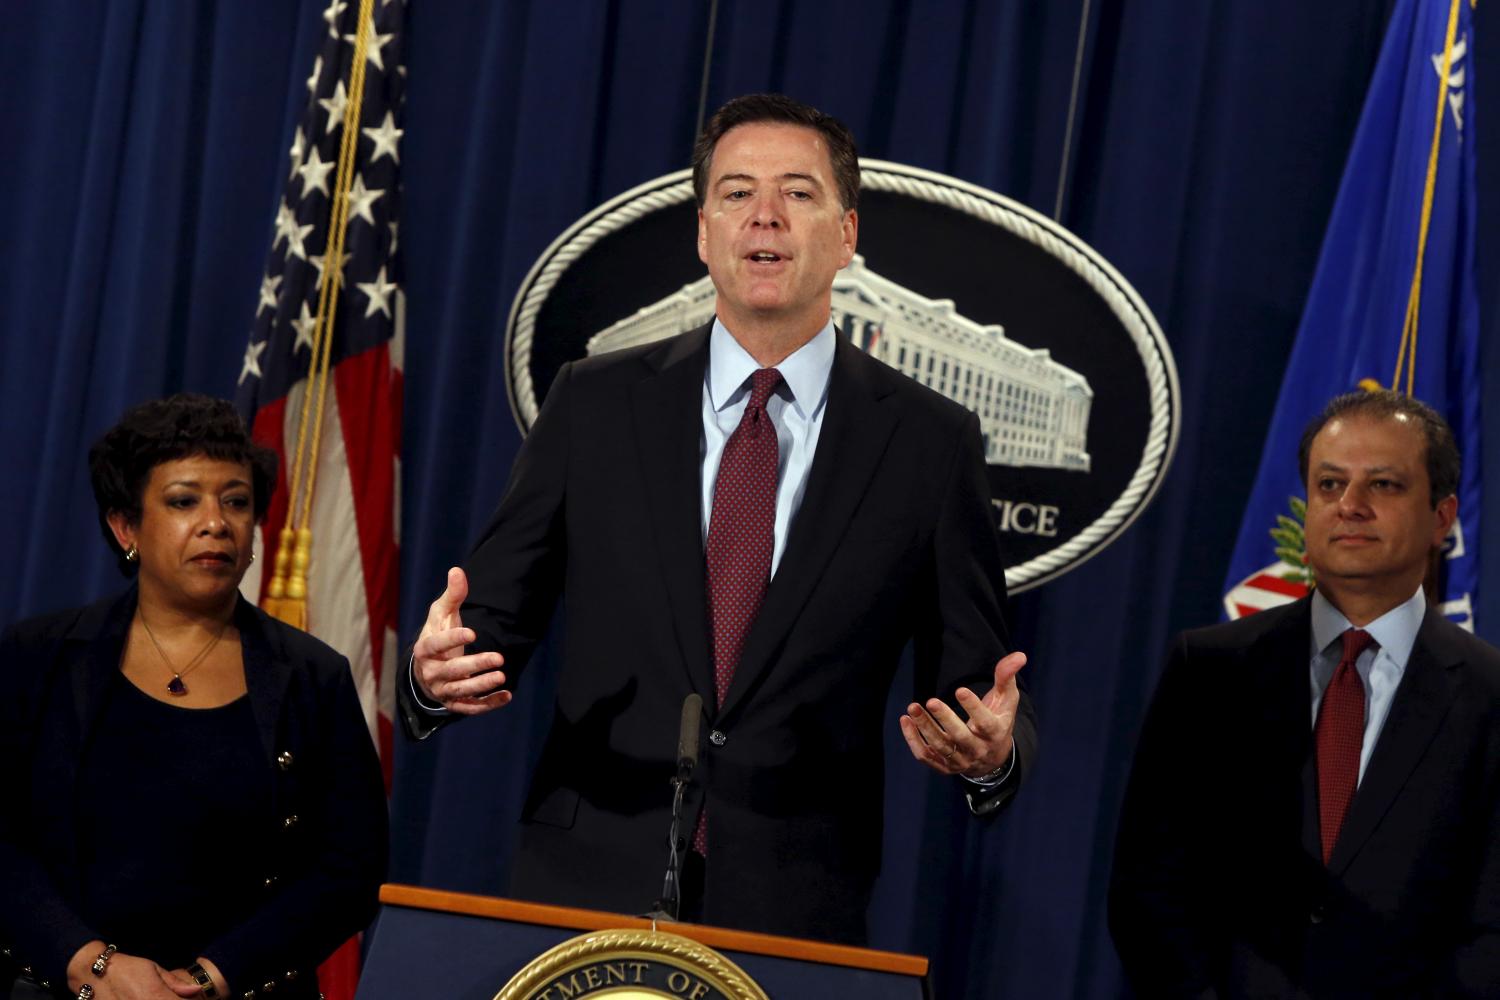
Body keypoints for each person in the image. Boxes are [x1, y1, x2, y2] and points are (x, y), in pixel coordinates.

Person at [398, 93, 1038, 944]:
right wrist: (433, 677)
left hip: (795, 903)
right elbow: (489, 620)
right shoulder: (595, 402)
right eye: (737, 193)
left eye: (798, 193)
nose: (764, 215)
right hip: (587, 885)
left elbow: (976, 685)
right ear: (704, 233)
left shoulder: (928, 442)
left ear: (847, 235)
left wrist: (993, 756)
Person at [1109, 389, 1500, 997]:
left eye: (1384, 485)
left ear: (1442, 518)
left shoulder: (1490, 696)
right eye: (1329, 484)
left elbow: (1492, 925)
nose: (1350, 506)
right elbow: (1148, 887)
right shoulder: (1209, 671)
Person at [0, 394, 387, 1000]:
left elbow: (348, 870)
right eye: (184, 501)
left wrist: (214, 976)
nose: (216, 522)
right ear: (126, 526)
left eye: (236, 502)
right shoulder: (38, 657)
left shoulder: (314, 678)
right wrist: (90, 964)